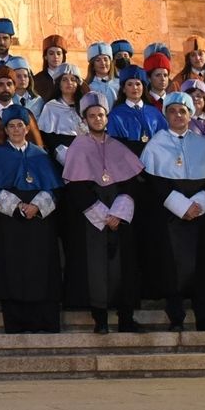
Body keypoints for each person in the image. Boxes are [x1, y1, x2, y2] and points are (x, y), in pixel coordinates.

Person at [141, 91, 205, 332]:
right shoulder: (155, 145)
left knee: (204, 266)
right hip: (171, 216)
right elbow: (153, 183)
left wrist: (199, 203)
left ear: (191, 114)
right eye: (172, 111)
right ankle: (176, 318)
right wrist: (181, 206)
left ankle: (204, 317)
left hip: (201, 215)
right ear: (166, 114)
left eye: (183, 111)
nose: (178, 115)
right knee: (172, 267)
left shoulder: (204, 144)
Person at [61, 92, 144, 334]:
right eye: (92, 115)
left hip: (120, 215)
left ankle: (126, 318)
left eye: (101, 115)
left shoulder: (118, 146)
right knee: (96, 269)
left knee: (123, 268)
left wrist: (119, 212)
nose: (97, 119)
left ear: (107, 118)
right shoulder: (78, 146)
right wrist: (102, 214)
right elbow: (76, 186)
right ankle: (101, 321)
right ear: (85, 119)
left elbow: (130, 183)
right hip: (92, 219)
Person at [0, 106, 64, 333]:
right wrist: (17, 206)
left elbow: (55, 188)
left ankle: (44, 321)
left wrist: (37, 205)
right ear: (5, 130)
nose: (16, 129)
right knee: (12, 268)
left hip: (40, 221)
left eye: (20, 125)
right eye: (11, 126)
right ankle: (17, 322)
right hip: (10, 222)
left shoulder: (41, 154)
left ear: (27, 128)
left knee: (41, 267)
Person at [106, 67, 167, 154]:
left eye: (138, 84)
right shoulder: (116, 115)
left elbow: (164, 138)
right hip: (128, 161)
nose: (135, 88)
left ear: (143, 87)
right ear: (123, 89)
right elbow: (113, 146)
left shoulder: (154, 112)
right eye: (130, 84)